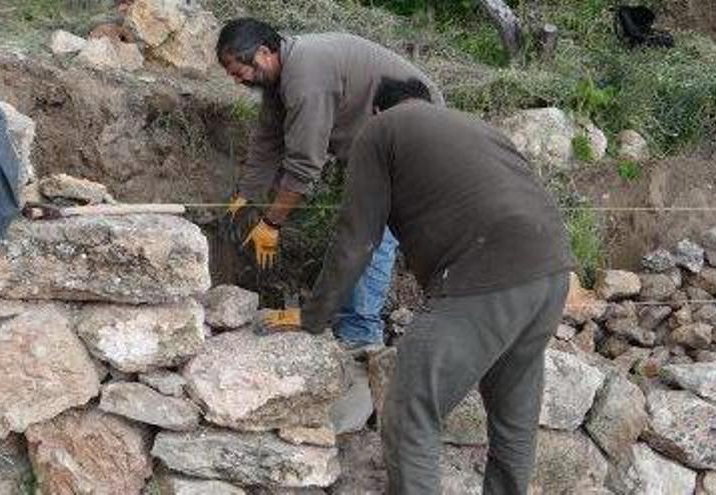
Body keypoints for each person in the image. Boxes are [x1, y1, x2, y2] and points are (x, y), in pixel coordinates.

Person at [263, 77, 574, 494]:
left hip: (482, 271)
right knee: (513, 417)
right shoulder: (475, 127)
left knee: (411, 413)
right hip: (551, 270)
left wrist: (314, 315)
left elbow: (358, 241)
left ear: (377, 109)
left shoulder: (381, 129)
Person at [216, 17, 444, 349]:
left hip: (415, 132)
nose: (239, 81)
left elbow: (305, 162)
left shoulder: (307, 77)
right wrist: (245, 196)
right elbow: (267, 141)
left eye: (239, 72)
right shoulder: (283, 76)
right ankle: (350, 319)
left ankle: (361, 333)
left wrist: (271, 223)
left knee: (372, 232)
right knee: (360, 228)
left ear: (264, 52)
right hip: (378, 136)